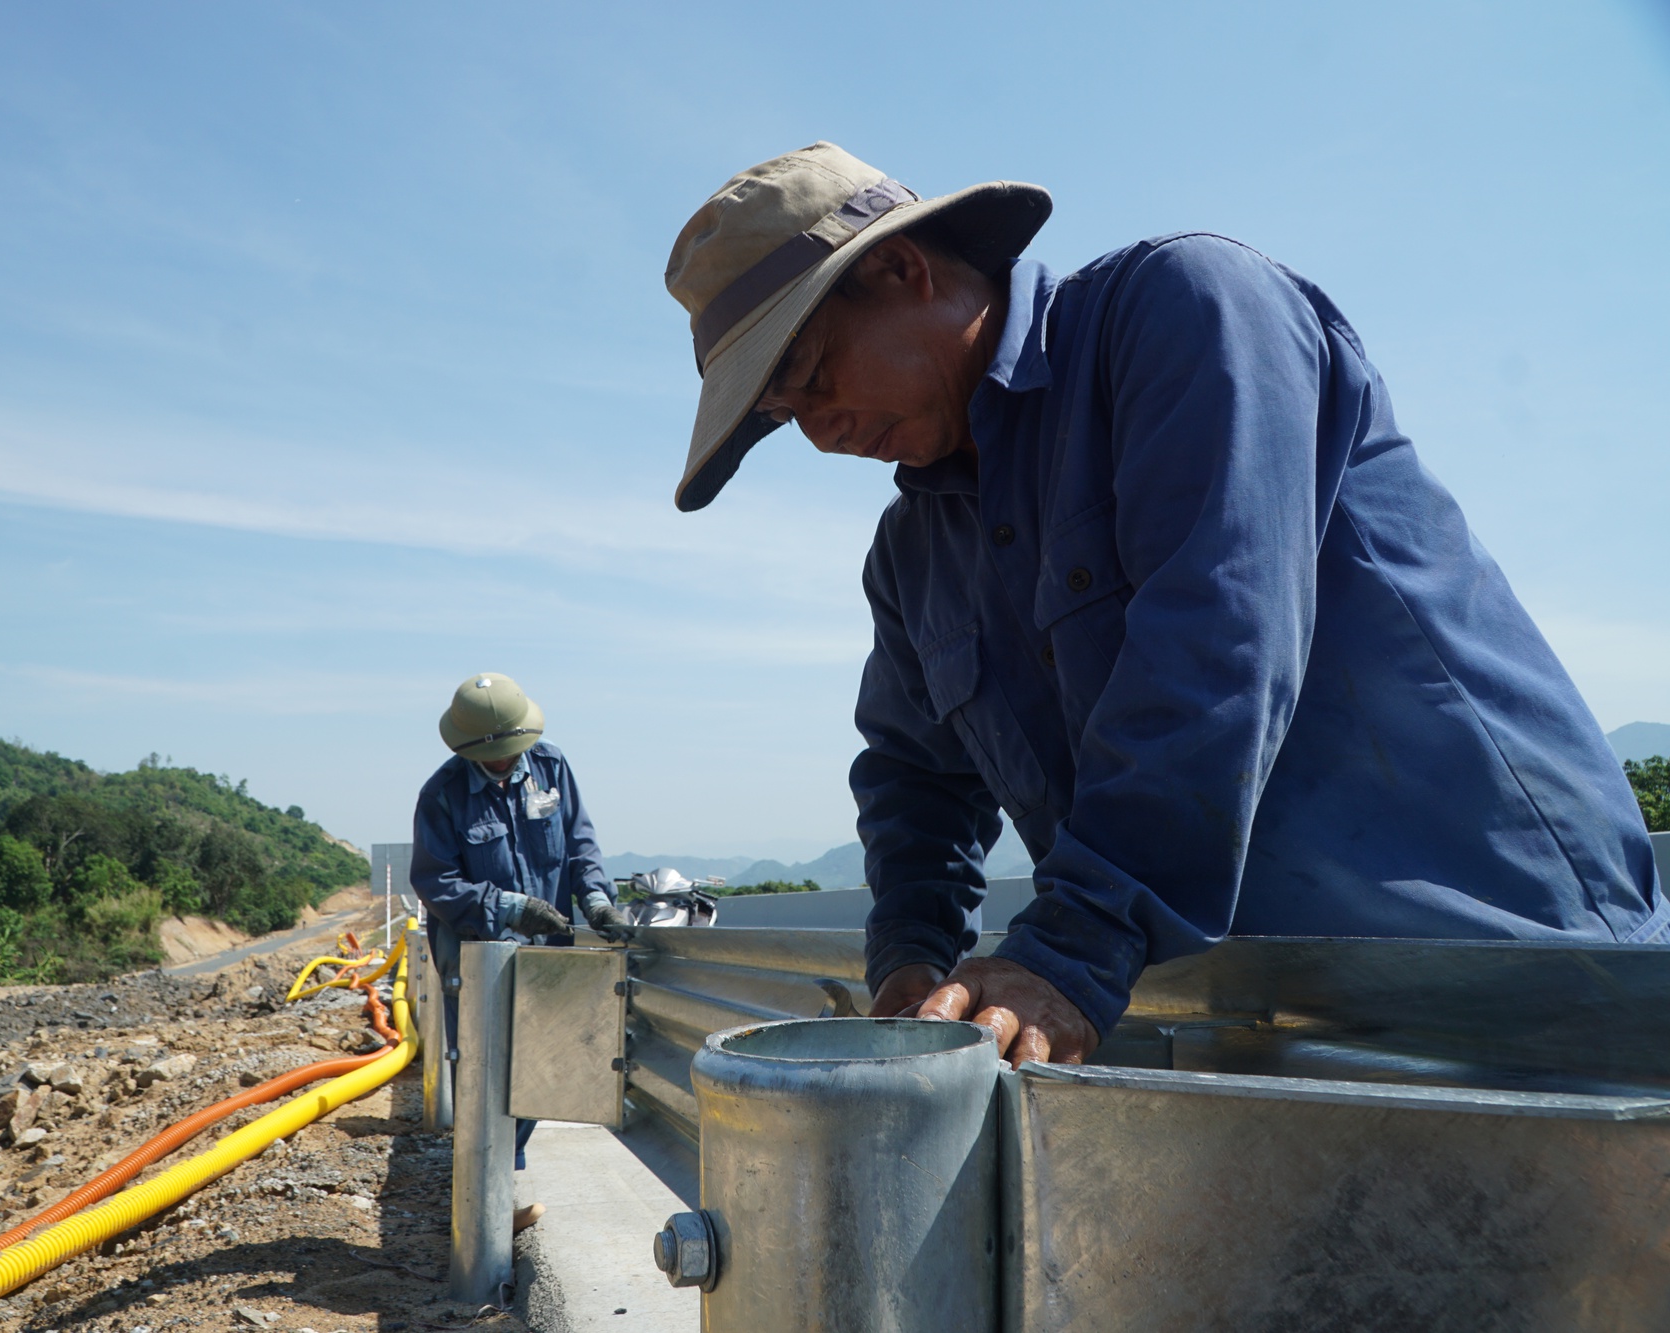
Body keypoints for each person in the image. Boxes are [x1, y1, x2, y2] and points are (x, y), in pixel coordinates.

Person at [661, 142, 1665, 1067]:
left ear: (898, 270)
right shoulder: (910, 552)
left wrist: (1069, 951)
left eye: (812, 378)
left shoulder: (1182, 311)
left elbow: (1215, 644)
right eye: (785, 420)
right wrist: (909, 955)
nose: (822, 437)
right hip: (1256, 1030)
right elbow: (912, 775)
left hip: (1525, 986)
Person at [409, 672, 627, 1229]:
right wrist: (507, 907)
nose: (506, 762)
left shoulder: (551, 767)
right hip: (479, 961)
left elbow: (580, 843)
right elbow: (435, 882)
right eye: (496, 756)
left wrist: (597, 901)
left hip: (545, 959)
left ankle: (497, 1193)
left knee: (539, 1072)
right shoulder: (443, 796)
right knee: (485, 1078)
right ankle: (486, 1210)